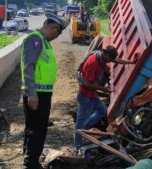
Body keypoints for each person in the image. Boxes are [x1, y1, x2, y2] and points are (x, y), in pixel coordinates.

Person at [20, 12, 67, 169]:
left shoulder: (44, 42)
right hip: (37, 93)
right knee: (38, 130)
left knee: (33, 128)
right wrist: (32, 93)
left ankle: (29, 158)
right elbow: (29, 67)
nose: (55, 36)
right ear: (50, 26)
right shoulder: (35, 39)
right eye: (55, 32)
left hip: (42, 93)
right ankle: (31, 164)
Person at [74, 46, 137, 155]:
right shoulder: (93, 63)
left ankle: (85, 128)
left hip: (92, 95)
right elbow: (88, 84)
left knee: (102, 111)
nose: (110, 62)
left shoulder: (101, 56)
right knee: (79, 124)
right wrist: (104, 89)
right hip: (86, 96)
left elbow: (115, 60)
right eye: (109, 59)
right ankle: (77, 147)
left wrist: (131, 62)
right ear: (105, 54)